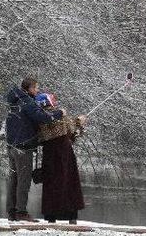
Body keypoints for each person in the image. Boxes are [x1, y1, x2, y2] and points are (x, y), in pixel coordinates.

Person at [5, 78, 64, 222]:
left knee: (14, 179)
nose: (37, 90)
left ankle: (12, 211)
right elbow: (42, 117)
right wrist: (59, 113)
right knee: (24, 181)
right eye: (36, 88)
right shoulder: (27, 102)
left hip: (12, 146)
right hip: (23, 147)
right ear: (30, 88)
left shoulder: (15, 101)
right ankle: (21, 212)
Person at [35, 93, 86, 225]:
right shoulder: (59, 114)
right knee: (69, 183)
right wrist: (79, 123)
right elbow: (71, 132)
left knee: (52, 183)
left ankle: (51, 216)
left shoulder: (38, 117)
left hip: (49, 154)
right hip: (64, 153)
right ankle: (71, 216)